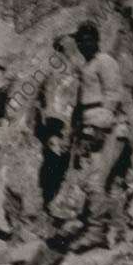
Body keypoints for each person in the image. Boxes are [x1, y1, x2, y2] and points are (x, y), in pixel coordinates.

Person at [69, 21, 129, 247]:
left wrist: (100, 127)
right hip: (92, 128)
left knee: (96, 181)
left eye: (87, 40)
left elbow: (113, 95)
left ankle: (96, 231)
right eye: (79, 41)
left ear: (95, 40)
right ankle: (117, 230)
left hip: (108, 128)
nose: (83, 45)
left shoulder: (104, 61)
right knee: (105, 183)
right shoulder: (86, 66)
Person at [36, 35, 81, 209]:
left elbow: (72, 99)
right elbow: (48, 94)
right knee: (54, 155)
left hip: (62, 120)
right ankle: (48, 195)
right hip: (55, 119)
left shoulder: (72, 71)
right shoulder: (55, 70)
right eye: (65, 48)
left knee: (60, 157)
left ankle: (51, 195)